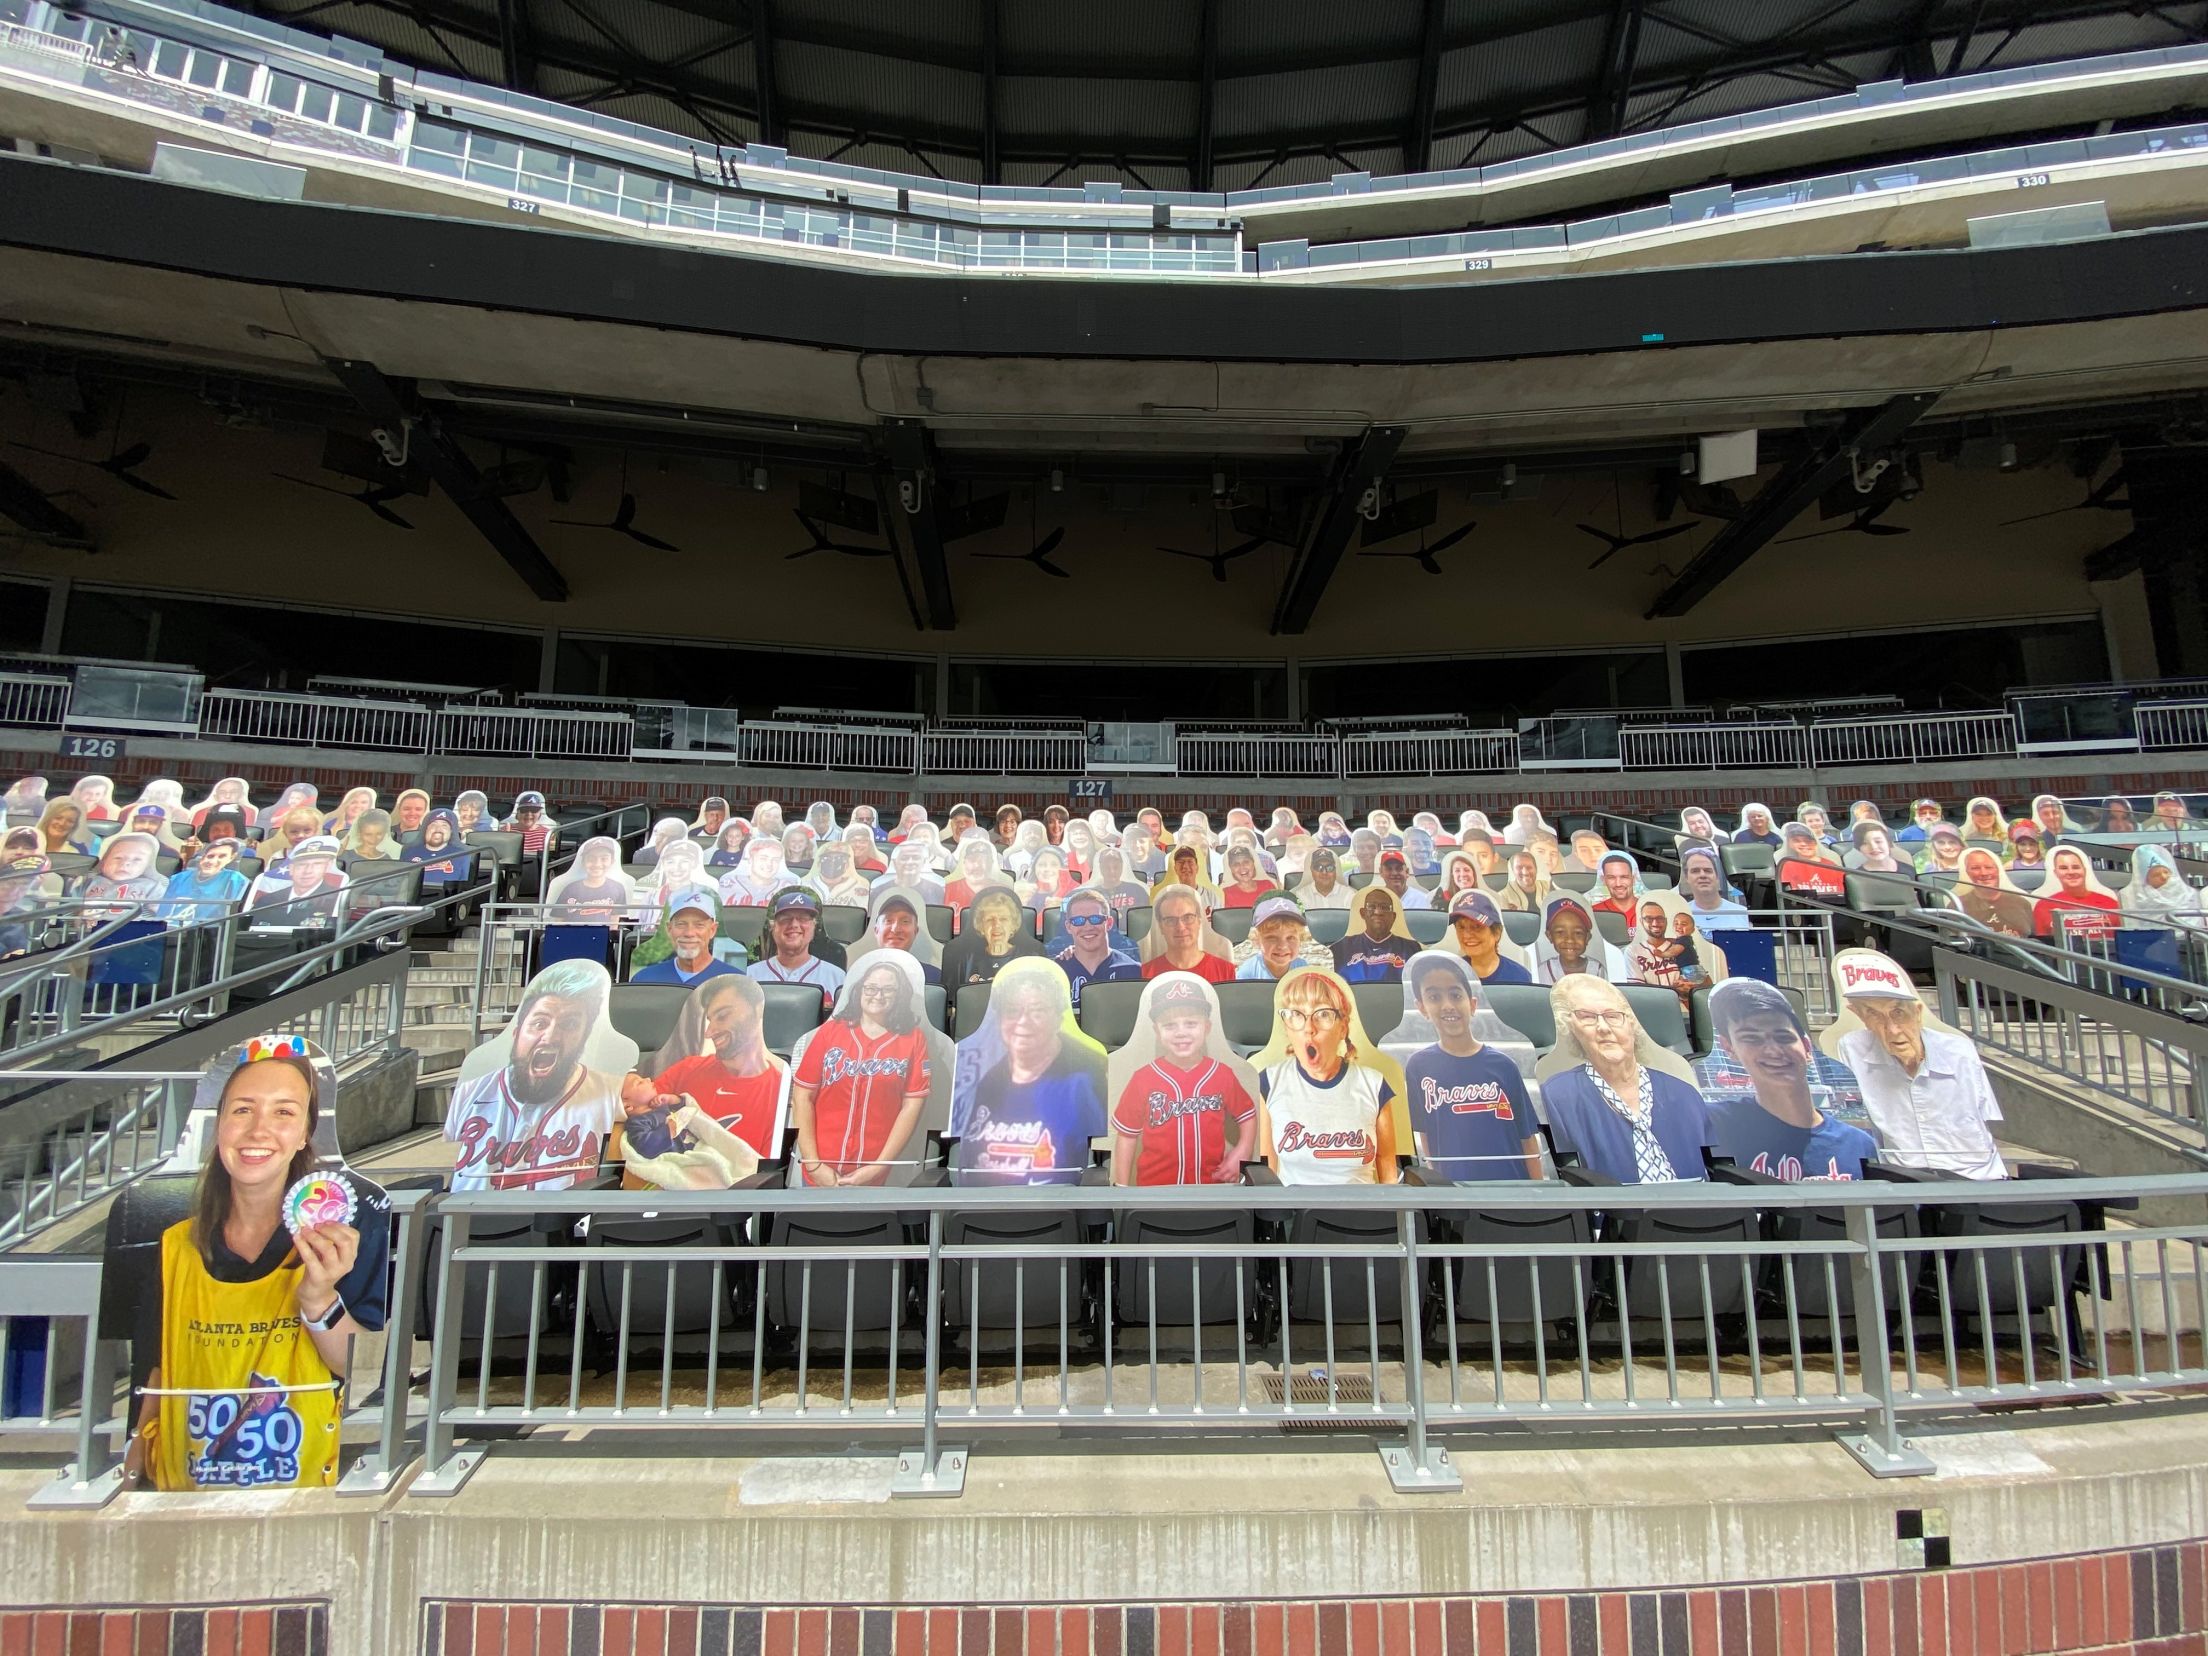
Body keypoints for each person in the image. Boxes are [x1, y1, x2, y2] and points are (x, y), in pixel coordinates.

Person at [123, 1039, 389, 1491]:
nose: (259, 1130)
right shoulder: (174, 1245)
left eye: (284, 1112)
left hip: (299, 1491)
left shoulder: (347, 1231)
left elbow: (362, 1373)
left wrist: (319, 1299)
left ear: (305, 1134)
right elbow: (156, 1370)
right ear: (219, 1126)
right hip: (185, 1492)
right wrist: (129, 1477)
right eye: (243, 1110)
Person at [444, 959, 630, 1190]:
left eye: (569, 1025)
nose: (550, 1037)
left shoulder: (612, 1092)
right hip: (466, 1211)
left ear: (584, 1038)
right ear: (516, 1032)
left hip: (562, 1212)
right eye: (540, 1023)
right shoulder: (470, 1093)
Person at [1828, 948, 2004, 1179]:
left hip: (1976, 1176)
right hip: (1904, 1178)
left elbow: (1984, 1117)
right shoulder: (1852, 1049)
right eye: (1874, 1014)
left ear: (1918, 1013)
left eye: (1898, 1013)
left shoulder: (1958, 1050)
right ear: (1859, 1016)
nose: (1892, 1029)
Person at [949, 958, 1107, 1186]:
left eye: (1037, 1010)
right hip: (982, 1203)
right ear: (999, 1018)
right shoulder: (985, 1079)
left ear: (1059, 1016)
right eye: (1012, 1011)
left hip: (1058, 1201)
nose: (1023, 1021)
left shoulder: (1087, 1076)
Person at [1699, 979, 1875, 1181]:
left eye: (1783, 1037)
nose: (1773, 1051)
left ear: (1807, 1047)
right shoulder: (1714, 1124)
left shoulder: (1858, 1145)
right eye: (1751, 1038)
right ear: (1729, 1048)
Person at [1539, 976, 1709, 1185]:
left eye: (1612, 1016)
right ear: (1571, 1030)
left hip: (1694, 1203)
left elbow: (1712, 1169)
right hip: (1613, 1205)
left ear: (1631, 1024)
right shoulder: (1557, 1096)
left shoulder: (1684, 1093)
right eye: (1587, 1017)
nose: (1603, 1027)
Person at [790, 953, 933, 1186]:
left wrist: (879, 1166)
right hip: (820, 1165)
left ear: (900, 995)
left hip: (873, 1170)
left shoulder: (913, 1039)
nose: (878, 995)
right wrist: (813, 1164)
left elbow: (912, 1106)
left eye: (888, 990)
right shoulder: (830, 1032)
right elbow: (802, 1097)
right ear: (859, 990)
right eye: (871, 988)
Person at [1397, 953, 1539, 1180]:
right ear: (1421, 1007)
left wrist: (1538, 1192)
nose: (1447, 1006)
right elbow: (1427, 1136)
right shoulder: (1419, 1066)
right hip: (1458, 1191)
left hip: (1512, 1187)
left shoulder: (1504, 1066)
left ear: (1472, 1004)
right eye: (1434, 997)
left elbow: (1527, 1139)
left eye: (1455, 995)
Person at [1108, 974, 1259, 1186]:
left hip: (1210, 1190)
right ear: (1157, 1031)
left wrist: (1243, 1150)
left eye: (1191, 1023)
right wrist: (1122, 1188)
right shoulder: (1143, 1078)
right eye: (1169, 1025)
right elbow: (1126, 1136)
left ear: (1206, 1027)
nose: (1181, 1033)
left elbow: (1247, 1116)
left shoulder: (1222, 1074)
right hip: (1155, 1192)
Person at [1255, 967, 1399, 1185]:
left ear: (1343, 1028)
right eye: (1297, 1014)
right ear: (1287, 1028)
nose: (1309, 1028)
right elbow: (1268, 1175)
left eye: (1322, 1014)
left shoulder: (1374, 1085)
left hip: (1361, 1206)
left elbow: (1388, 1173)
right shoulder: (1269, 1083)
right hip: (1297, 1206)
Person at [647, 975, 785, 1157]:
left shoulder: (780, 1094)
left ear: (758, 1010)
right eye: (710, 1020)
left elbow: (763, 1169)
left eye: (722, 1016)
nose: (709, 1032)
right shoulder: (687, 1070)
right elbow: (636, 1114)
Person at [747, 887, 846, 1011]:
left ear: (814, 927)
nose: (794, 924)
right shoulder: (749, 976)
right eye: (785, 919)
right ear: (773, 927)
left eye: (803, 918)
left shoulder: (837, 977)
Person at [1050, 885, 1140, 1009]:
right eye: (1078, 921)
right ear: (1069, 927)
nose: (1087, 927)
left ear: (1109, 923)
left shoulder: (1132, 971)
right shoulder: (1055, 974)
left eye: (1095, 919)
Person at [942, 883, 1044, 990]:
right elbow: (953, 998)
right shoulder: (963, 959)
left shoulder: (1032, 958)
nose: (996, 925)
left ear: (1014, 925)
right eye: (989, 919)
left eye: (1003, 919)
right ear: (980, 926)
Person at [631, 890, 738, 987]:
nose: (689, 933)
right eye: (681, 924)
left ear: (712, 930)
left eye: (699, 925)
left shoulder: (735, 982)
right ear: (669, 929)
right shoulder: (645, 980)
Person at [1140, 883, 1236, 984]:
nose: (1180, 927)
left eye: (1188, 918)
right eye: (1171, 920)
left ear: (1199, 921)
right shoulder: (1144, 974)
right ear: (1160, 926)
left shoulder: (1225, 971)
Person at [855, 886, 943, 985]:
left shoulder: (934, 978)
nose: (895, 929)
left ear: (915, 931)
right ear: (876, 931)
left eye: (905, 921)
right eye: (888, 921)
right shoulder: (857, 975)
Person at [1444, 889, 1532, 986]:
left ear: (1497, 933)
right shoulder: (1449, 976)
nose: (1466, 935)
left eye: (1477, 926)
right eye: (1461, 927)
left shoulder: (1520, 978)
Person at [1331, 885, 1417, 983]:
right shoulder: (1340, 949)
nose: (1378, 912)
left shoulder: (1412, 949)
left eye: (1385, 907)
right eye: (1372, 906)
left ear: (1393, 917)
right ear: (1362, 913)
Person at [2032, 846, 2121, 942]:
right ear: (2055, 873)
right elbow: (2043, 944)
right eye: (2063, 868)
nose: (2071, 872)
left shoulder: (2110, 903)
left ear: (2085, 870)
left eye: (2076, 867)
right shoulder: (2043, 906)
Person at [1235, 894, 1329, 982]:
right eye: (1272, 938)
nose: (1282, 946)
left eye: (1290, 937)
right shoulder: (1249, 972)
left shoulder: (1302, 969)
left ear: (1300, 939)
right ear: (1257, 940)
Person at [157, 840, 249, 926]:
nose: (212, 861)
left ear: (231, 858)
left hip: (207, 933)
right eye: (210, 856)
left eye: (222, 856)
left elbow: (229, 919)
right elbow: (162, 913)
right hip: (169, 931)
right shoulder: (178, 878)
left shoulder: (235, 880)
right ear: (202, 857)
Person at [1534, 892, 1618, 983]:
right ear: (1549, 936)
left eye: (1578, 933)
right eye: (1560, 932)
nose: (1570, 940)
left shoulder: (1598, 970)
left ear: (1587, 937)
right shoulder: (1542, 971)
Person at [81, 830, 166, 914]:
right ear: (104, 860)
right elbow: (74, 911)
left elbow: (161, 915)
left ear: (147, 866)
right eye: (118, 857)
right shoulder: (88, 882)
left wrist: (141, 909)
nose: (125, 863)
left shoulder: (152, 887)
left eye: (137, 859)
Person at [1955, 848, 2033, 938]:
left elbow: (2034, 939)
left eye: (1989, 867)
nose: (1983, 873)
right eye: (1975, 868)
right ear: (1967, 872)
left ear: (1998, 870)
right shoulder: (1957, 905)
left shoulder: (2021, 903)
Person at [2125, 843, 2203, 928]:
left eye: (2166, 872)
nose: (2164, 877)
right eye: (2156, 875)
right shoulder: (2138, 899)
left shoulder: (2188, 894)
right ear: (2146, 880)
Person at [1679, 845, 1751, 931]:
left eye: (1708, 871)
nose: (1702, 875)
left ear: (1717, 876)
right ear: (1687, 877)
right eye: (1695, 871)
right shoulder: (1680, 915)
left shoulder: (1742, 913)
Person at [1292, 847, 1354, 912]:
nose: (1324, 872)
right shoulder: (1300, 896)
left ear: (1335, 870)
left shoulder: (1349, 894)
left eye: (1329, 867)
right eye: (1318, 867)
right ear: (1312, 870)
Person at [1219, 843, 1276, 909]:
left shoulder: (1268, 886)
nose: (1242, 867)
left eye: (1246, 862)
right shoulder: (1226, 893)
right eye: (1236, 864)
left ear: (1253, 863)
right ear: (1231, 869)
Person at [1591, 851, 1643, 920]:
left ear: (1633, 879)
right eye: (1611, 877)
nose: (1618, 884)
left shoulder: (1651, 910)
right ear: (1604, 880)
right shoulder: (1594, 913)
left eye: (1624, 877)